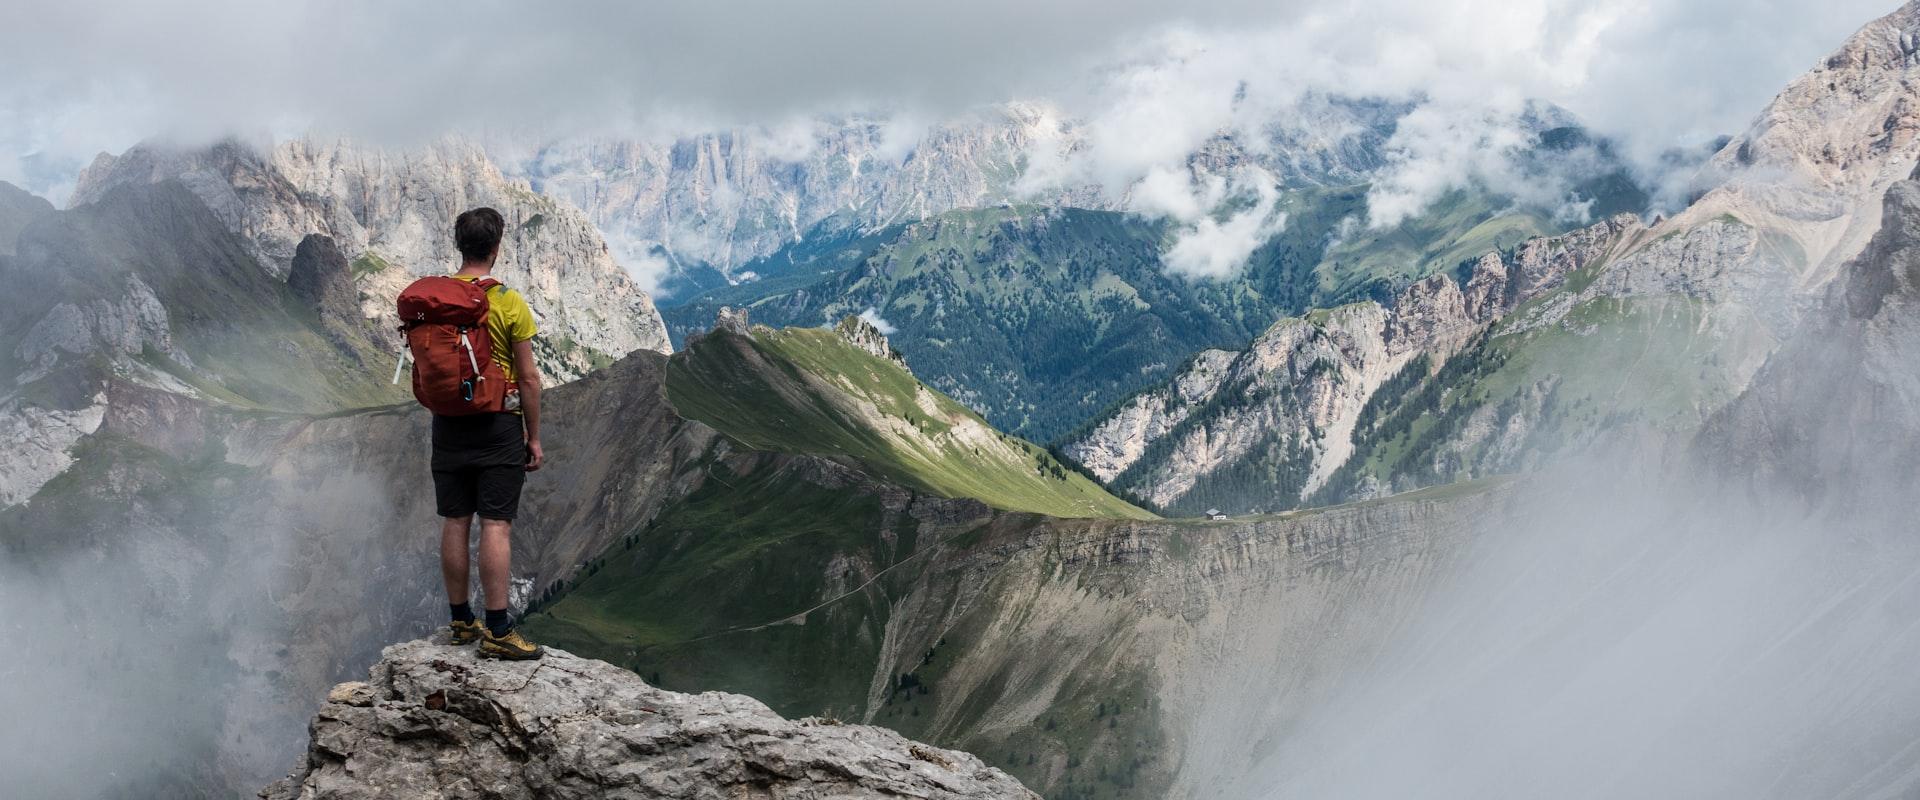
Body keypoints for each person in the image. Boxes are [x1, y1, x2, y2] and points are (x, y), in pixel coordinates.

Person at [433, 207, 545, 660]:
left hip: (447, 424)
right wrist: (532, 438)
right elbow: (530, 378)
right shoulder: (508, 302)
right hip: (498, 423)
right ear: (496, 248)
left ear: (459, 246)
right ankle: (498, 630)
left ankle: (460, 622)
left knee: (456, 519)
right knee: (495, 524)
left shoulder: (436, 299)